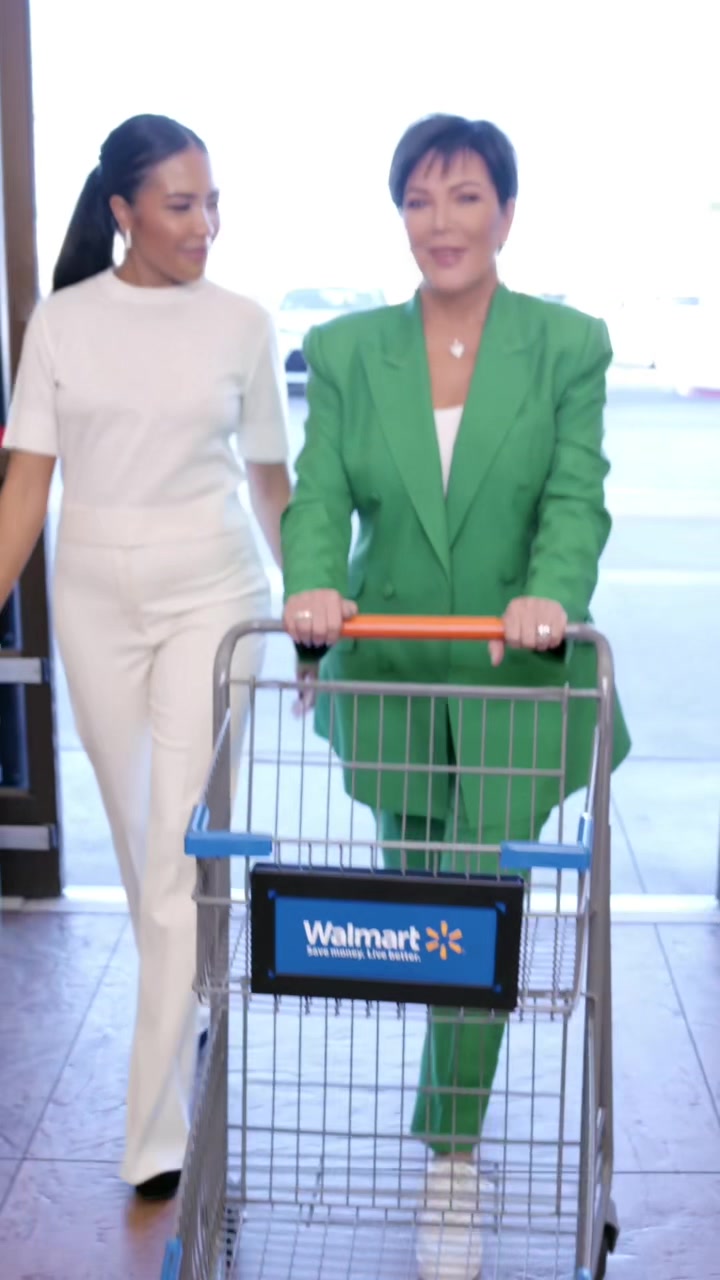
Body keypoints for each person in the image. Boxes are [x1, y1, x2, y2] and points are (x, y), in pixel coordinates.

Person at [282, 113, 631, 1279]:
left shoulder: (566, 345)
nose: (442, 222)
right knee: (431, 915)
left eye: (467, 196)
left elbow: (576, 495)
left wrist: (551, 591)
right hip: (392, 677)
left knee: (476, 910)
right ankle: (453, 1127)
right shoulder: (347, 351)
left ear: (507, 213)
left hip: (509, 680)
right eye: (420, 200)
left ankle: (450, 1156)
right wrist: (311, 584)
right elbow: (319, 495)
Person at [0, 114, 291, 1201]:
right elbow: (26, 487)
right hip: (94, 600)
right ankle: (196, 981)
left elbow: (272, 483)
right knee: (144, 844)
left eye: (213, 202)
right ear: (122, 211)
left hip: (215, 592)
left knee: (172, 852)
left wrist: (313, 615)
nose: (205, 224)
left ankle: (156, 1137)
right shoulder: (61, 322)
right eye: (180, 205)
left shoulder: (243, 324)